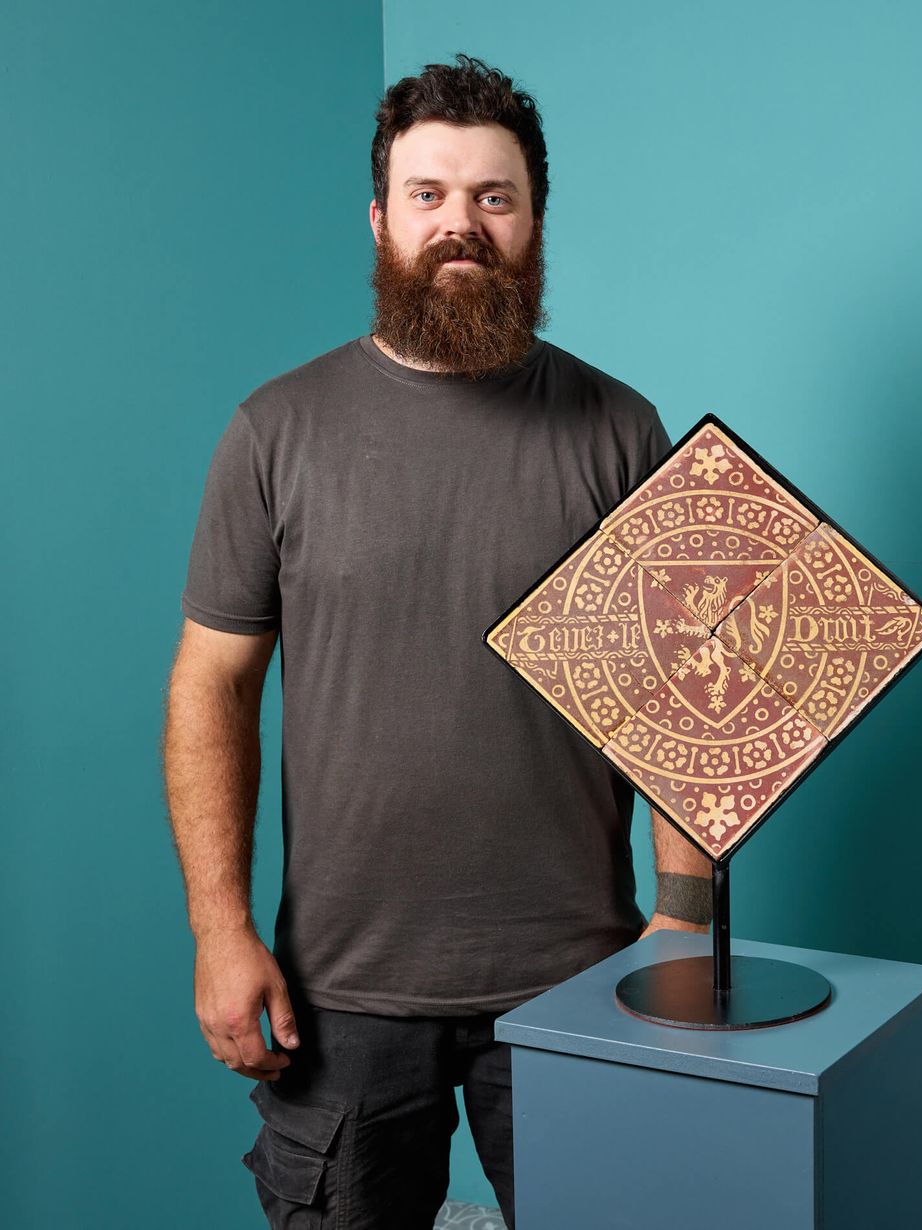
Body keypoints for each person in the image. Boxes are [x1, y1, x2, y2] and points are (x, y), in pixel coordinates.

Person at [161, 53, 714, 1230]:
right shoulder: (276, 432)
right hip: (342, 994)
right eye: (428, 194)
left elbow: (687, 699)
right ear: (380, 218)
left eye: (493, 197)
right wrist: (221, 930)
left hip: (583, 979)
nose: (460, 224)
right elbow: (213, 684)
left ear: (535, 220)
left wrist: (685, 921)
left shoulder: (621, 432)